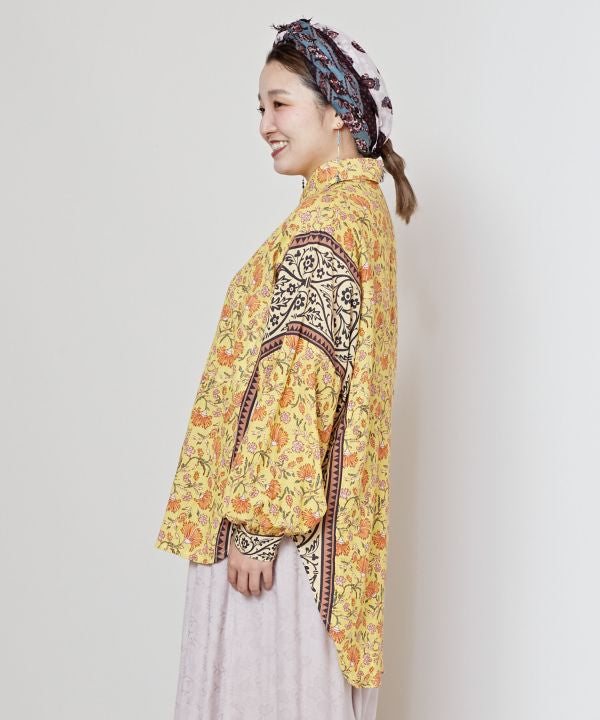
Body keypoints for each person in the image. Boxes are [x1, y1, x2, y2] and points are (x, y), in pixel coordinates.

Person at [154, 17, 417, 720]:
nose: (265, 124)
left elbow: (300, 380)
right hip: (322, 543)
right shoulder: (358, 212)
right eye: (260, 107)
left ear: (336, 112)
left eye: (280, 103)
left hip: (282, 549)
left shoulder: (326, 226)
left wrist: (257, 528)